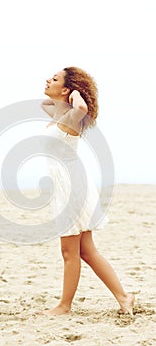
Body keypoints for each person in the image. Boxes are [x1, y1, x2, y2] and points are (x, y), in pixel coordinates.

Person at [40, 67, 135, 316]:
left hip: (70, 189)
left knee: (70, 252)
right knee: (86, 251)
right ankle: (124, 297)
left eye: (55, 78)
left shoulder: (73, 117)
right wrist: (65, 94)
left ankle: (64, 306)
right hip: (71, 185)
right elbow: (44, 102)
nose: (48, 79)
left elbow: (81, 109)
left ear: (67, 90)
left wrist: (77, 97)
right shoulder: (60, 114)